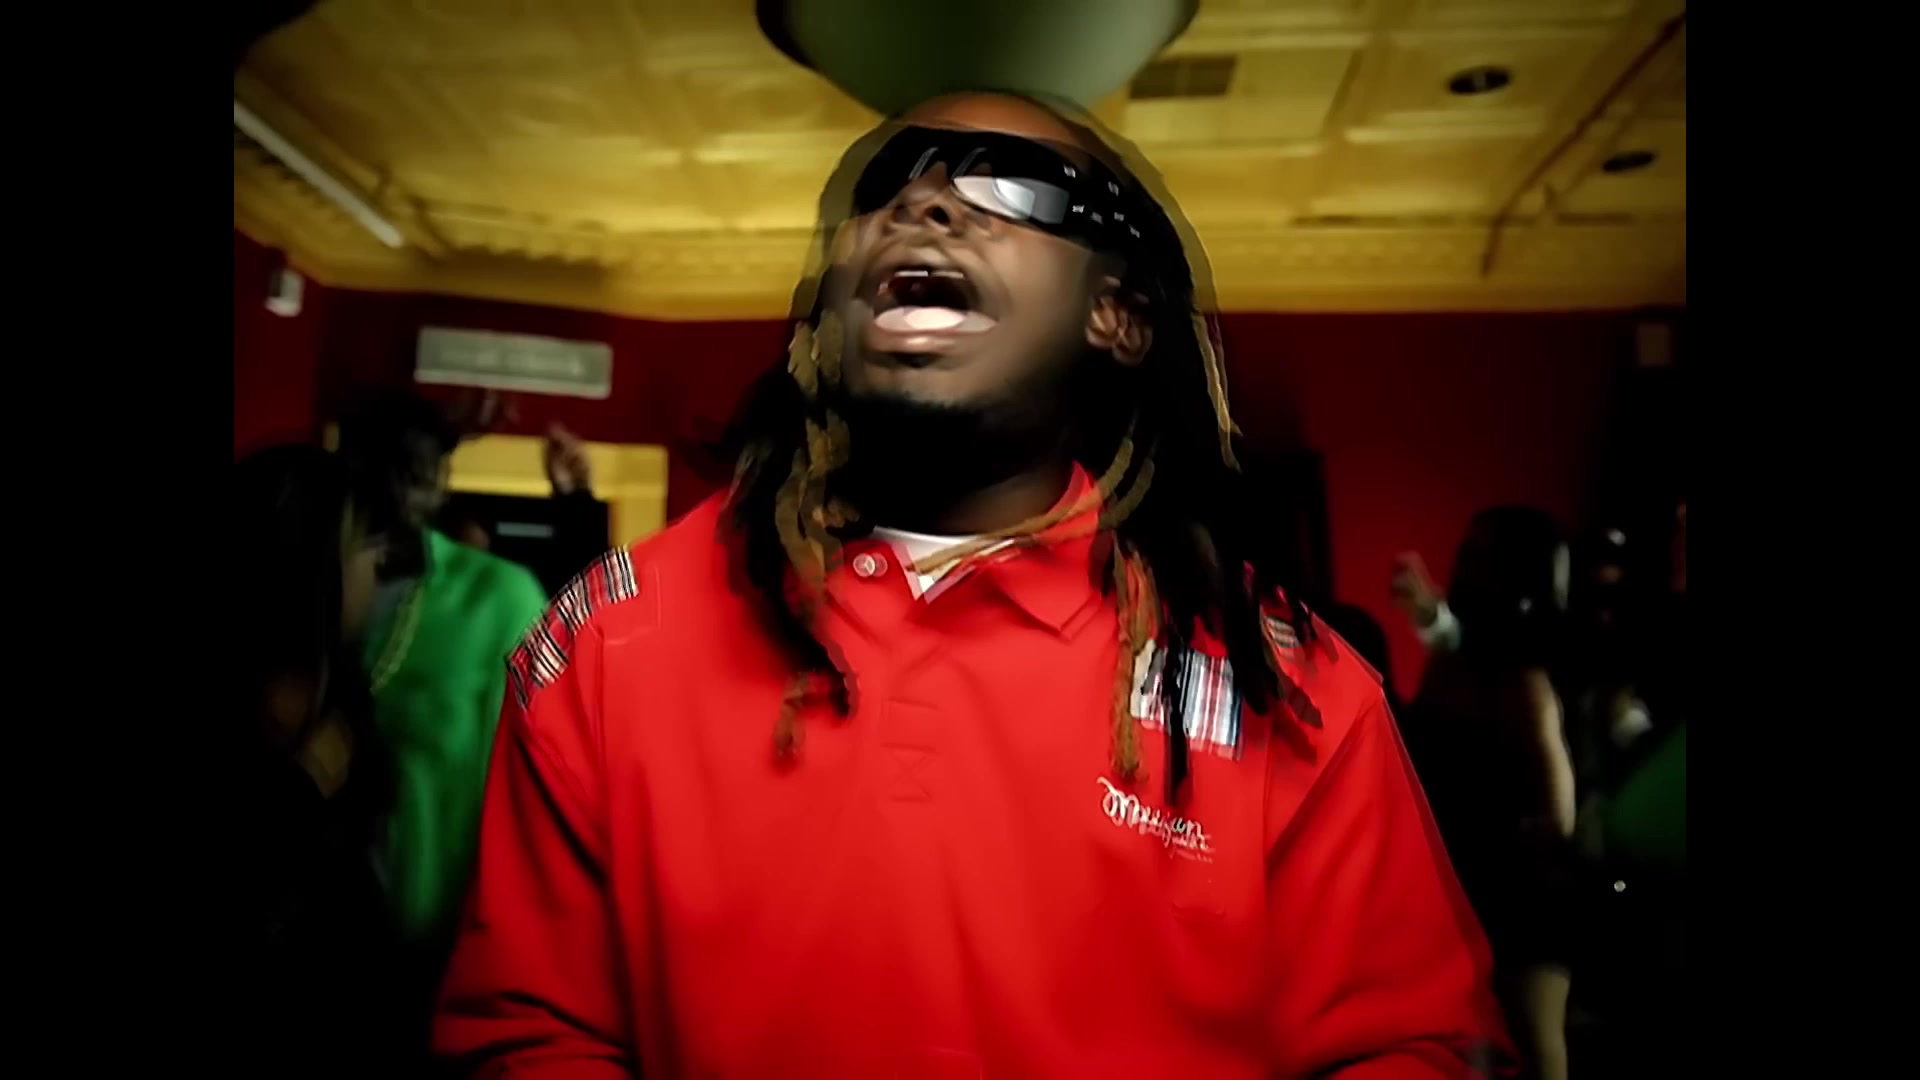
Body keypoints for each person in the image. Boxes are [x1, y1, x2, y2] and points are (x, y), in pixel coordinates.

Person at [436, 92, 1510, 1077]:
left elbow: (1419, 1046)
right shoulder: (617, 634)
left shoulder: (1291, 689)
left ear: (1117, 315)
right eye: (886, 187)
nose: (926, 204)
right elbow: (527, 1031)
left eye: (1011, 184)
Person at [333, 389, 551, 971]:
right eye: (392, 469)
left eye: (423, 473)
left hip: (449, 956)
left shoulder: (499, 599)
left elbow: (540, 798)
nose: (407, 493)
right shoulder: (307, 579)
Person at [227, 444, 416, 1073]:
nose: (379, 563)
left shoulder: (341, 694)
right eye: (363, 545)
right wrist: (300, 792)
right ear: (308, 562)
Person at [1397, 507, 1580, 1080]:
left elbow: (1559, 815)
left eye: (1478, 556)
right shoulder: (1456, 668)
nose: (1462, 567)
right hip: (1467, 893)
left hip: (1519, 903)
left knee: (1532, 1041)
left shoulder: (1524, 684)